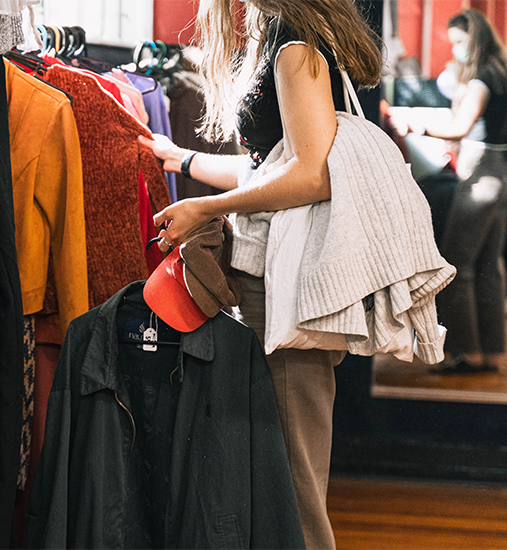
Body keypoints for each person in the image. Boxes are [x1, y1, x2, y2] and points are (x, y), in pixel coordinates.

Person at [138, 1, 383, 548]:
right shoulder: (289, 33)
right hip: (270, 276)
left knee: (294, 477)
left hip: (284, 283)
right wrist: (181, 159)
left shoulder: (294, 43)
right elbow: (270, 166)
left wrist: (205, 208)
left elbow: (312, 174)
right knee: (275, 466)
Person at [398, 8, 507, 373]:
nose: (455, 49)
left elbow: (460, 128)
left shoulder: (483, 78)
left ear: (475, 38)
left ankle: (465, 353)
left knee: (456, 265)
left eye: (459, 42)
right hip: (502, 174)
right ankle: (490, 353)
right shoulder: (503, 73)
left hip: (480, 175)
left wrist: (415, 125)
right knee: (489, 267)